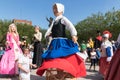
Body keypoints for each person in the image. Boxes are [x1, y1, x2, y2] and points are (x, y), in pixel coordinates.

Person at [37, 3, 86, 80]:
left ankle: (65, 73)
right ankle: (59, 74)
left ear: (61, 10)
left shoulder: (63, 19)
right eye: (53, 9)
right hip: (54, 42)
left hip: (61, 41)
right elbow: (51, 28)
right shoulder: (54, 21)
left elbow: (70, 26)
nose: (54, 10)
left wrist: (74, 35)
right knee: (55, 58)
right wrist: (48, 34)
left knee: (64, 57)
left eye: (56, 9)